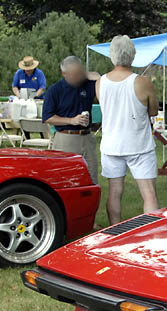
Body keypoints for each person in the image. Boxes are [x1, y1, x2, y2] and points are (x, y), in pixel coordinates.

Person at [96, 35, 160, 225]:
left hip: (111, 144)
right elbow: (154, 110)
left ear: (112, 55)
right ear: (132, 56)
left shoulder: (100, 82)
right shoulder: (142, 82)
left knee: (115, 192)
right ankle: (152, 231)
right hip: (138, 144)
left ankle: (115, 231)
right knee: (148, 193)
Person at [42, 56, 101, 184]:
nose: (78, 77)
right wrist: (71, 121)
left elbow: (100, 79)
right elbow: (48, 117)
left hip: (87, 137)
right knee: (65, 178)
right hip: (66, 138)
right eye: (75, 74)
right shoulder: (55, 90)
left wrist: (85, 74)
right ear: (65, 74)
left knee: (91, 178)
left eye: (80, 72)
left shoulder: (87, 85)